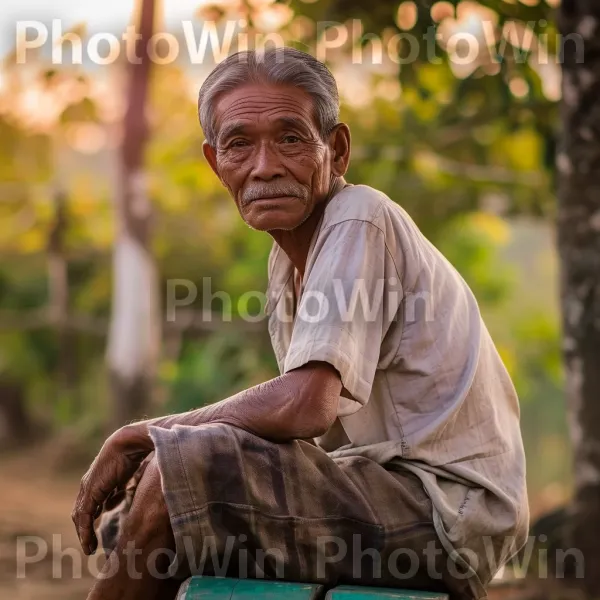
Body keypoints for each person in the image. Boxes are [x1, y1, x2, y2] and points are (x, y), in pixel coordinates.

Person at [72, 47, 529, 600]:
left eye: (290, 138)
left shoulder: (358, 216)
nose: (265, 166)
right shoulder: (286, 260)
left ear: (335, 151)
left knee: (180, 467)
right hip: (382, 492)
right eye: (240, 144)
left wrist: (142, 435)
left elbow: (305, 403)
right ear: (216, 163)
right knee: (157, 494)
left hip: (445, 513)